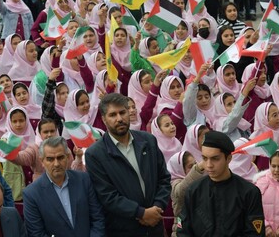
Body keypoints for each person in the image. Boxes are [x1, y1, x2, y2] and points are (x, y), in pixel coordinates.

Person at [85, 93, 171, 236]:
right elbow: (107, 196)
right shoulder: (95, 154)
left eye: (122, 112)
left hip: (155, 225)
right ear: (104, 119)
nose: (119, 119)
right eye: (112, 115)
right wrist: (141, 213)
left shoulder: (148, 141)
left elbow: (163, 179)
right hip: (123, 230)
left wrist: (157, 207)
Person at [177, 131, 265, 236]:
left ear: (228, 158)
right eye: (205, 158)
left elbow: (255, 234)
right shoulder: (193, 191)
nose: (209, 165)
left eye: (215, 159)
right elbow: (183, 231)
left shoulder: (249, 193)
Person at [23, 137, 104, 236]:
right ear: (42, 161)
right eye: (50, 159)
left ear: (67, 157)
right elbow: (37, 233)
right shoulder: (31, 194)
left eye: (60, 157)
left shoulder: (84, 180)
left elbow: (98, 219)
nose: (56, 164)